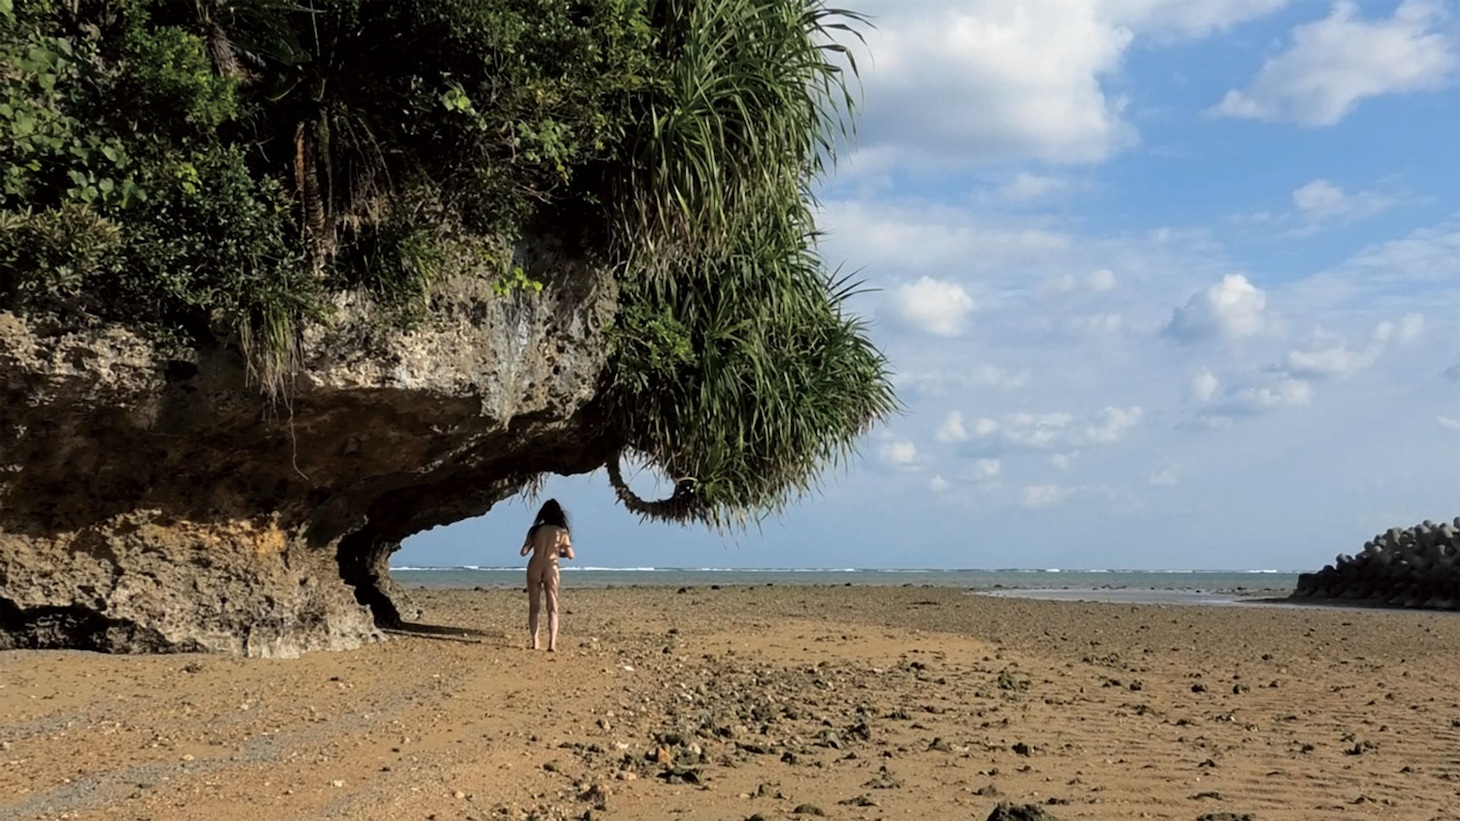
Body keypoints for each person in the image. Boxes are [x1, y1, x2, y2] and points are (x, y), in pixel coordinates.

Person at [519, 499, 574, 651]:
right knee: (552, 607)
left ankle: (535, 642)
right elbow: (571, 555)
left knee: (534, 607)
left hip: (535, 564)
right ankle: (552, 644)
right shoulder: (562, 532)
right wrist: (557, 552)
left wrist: (535, 546)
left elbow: (523, 552)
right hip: (551, 566)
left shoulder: (535, 530)